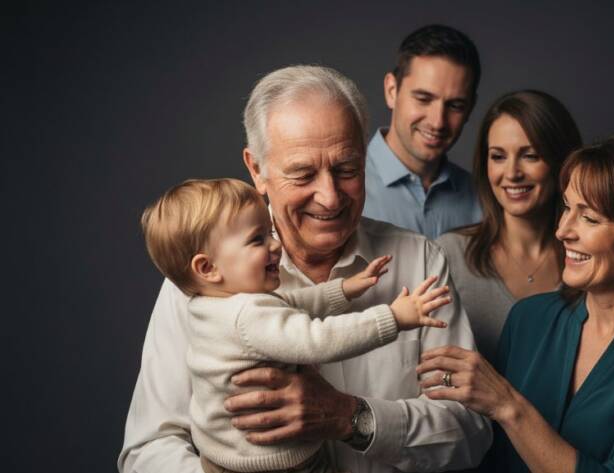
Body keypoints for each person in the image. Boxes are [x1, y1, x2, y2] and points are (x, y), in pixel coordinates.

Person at [118, 65, 492, 473]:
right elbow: (148, 448)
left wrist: (351, 418)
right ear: (256, 169)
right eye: (302, 173)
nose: (330, 198)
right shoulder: (202, 285)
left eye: (347, 169)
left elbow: (470, 433)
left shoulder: (420, 262)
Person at [418, 134, 614, 472]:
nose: (563, 231)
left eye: (590, 218)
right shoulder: (529, 318)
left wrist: (508, 405)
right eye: (567, 208)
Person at [138, 178, 452, 473]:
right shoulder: (247, 314)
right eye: (257, 240)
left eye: (269, 233)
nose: (274, 246)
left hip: (219, 458)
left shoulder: (211, 303)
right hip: (275, 465)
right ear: (208, 267)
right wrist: (393, 317)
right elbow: (318, 339)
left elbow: (290, 304)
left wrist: (343, 289)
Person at [435, 90, 581, 364]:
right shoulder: (448, 255)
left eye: (530, 156)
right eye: (498, 156)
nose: (512, 173)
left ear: (561, 162)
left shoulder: (586, 261)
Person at [363, 24, 483, 239]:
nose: (437, 122)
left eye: (455, 105)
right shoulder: (341, 189)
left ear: (470, 108)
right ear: (392, 91)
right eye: (423, 99)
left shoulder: (483, 199)